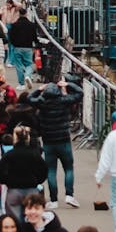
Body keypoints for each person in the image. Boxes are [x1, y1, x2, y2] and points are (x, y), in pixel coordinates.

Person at [28, 81, 82, 209]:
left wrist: (39, 89)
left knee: (51, 170)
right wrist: (68, 84)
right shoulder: (64, 101)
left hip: (48, 140)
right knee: (68, 168)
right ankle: (69, 195)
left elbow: (30, 98)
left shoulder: (42, 103)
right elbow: (80, 93)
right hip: (63, 139)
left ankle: (53, 200)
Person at [0, 127, 49, 224]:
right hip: (31, 188)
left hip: (13, 190)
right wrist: (37, 180)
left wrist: (6, 181)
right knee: (33, 219)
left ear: (15, 138)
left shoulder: (9, 155)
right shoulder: (34, 154)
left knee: (15, 221)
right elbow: (44, 170)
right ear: (28, 138)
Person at [5, 6, 40, 86]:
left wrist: (14, 44)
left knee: (19, 65)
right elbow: (34, 37)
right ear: (26, 14)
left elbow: (11, 37)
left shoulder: (14, 25)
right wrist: (36, 44)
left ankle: (21, 84)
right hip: (28, 47)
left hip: (17, 47)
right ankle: (27, 75)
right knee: (29, 64)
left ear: (19, 14)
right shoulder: (31, 25)